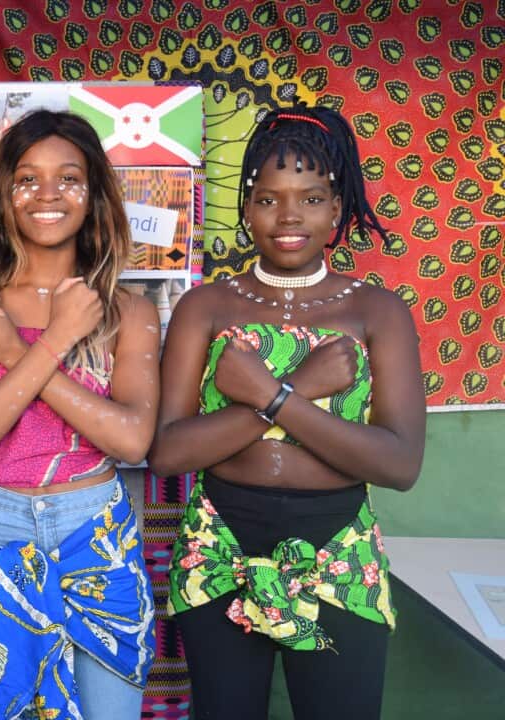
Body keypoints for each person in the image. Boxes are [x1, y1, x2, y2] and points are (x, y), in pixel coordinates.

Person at [148, 105, 425, 720]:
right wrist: (301, 385)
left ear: (338, 208)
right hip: (219, 544)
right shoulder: (206, 306)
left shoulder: (377, 312)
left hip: (337, 550)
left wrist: (273, 395)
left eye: (312, 197)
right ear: (246, 209)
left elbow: (400, 463)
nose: (290, 216)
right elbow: (168, 451)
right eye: (269, 199)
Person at [0, 109, 159, 720]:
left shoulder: (128, 312)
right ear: (3, 195)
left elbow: (131, 440)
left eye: (69, 178)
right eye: (28, 179)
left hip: (96, 533)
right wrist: (53, 344)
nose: (48, 195)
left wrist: (19, 354)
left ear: (95, 193)